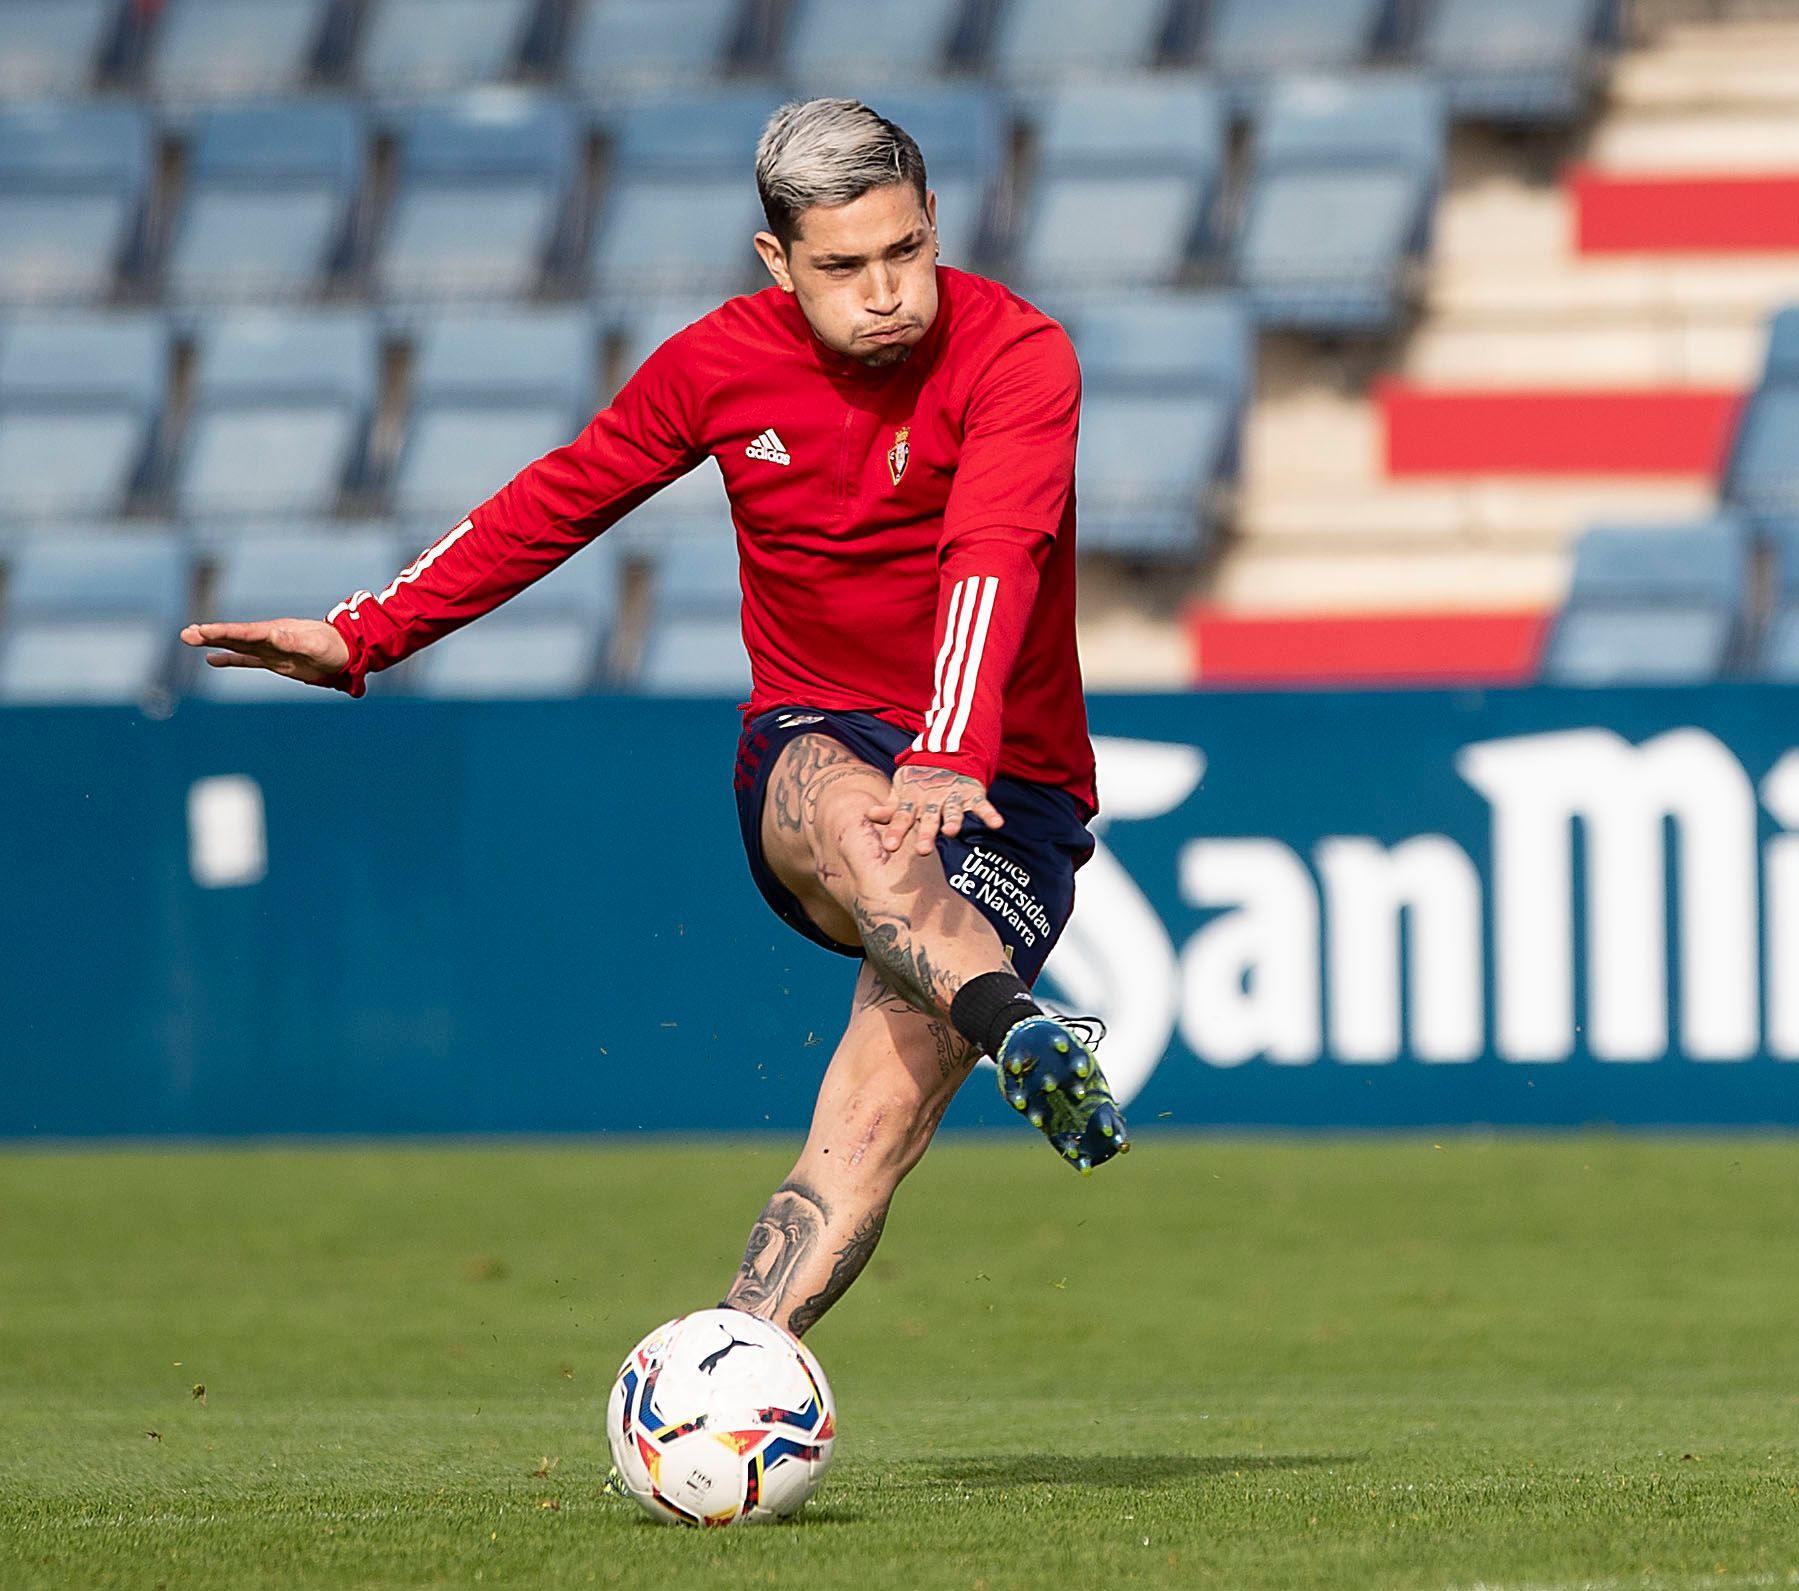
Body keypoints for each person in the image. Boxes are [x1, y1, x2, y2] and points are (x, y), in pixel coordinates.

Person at [178, 98, 1128, 1341]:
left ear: (936, 221)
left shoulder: (1019, 355)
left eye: (907, 251)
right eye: (845, 266)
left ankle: (732, 1365)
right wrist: (365, 634)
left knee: (868, 1127)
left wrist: (954, 742)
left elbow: (992, 550)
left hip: (1009, 789)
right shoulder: (719, 364)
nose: (888, 290)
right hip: (821, 739)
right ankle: (1016, 1027)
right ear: (777, 261)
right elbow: (562, 496)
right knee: (869, 830)